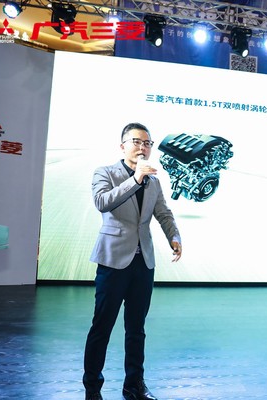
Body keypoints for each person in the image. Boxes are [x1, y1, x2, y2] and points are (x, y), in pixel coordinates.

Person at [83, 122, 182, 400]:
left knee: (136, 329)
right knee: (102, 327)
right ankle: (92, 388)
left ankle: (134, 385)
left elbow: (163, 213)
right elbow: (102, 202)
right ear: (123, 146)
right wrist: (135, 179)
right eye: (137, 141)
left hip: (143, 263)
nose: (143, 147)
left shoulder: (154, 181)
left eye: (147, 143)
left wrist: (174, 236)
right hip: (113, 261)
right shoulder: (106, 172)